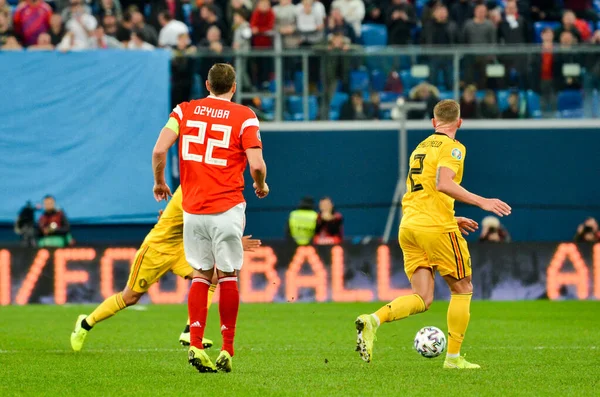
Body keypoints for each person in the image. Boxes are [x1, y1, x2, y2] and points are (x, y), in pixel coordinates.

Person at [355, 99, 511, 369]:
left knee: (423, 298)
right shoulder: (454, 147)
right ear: (459, 122)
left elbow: (426, 190)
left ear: (433, 122)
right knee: (463, 287)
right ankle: (453, 359)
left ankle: (373, 320)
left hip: (409, 226)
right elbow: (443, 183)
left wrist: (451, 215)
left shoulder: (421, 147)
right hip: (434, 228)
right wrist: (482, 202)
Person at [152, 63, 269, 373]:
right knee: (228, 275)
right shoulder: (245, 116)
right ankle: (227, 349)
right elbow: (256, 164)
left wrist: (160, 182)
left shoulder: (184, 110)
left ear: (207, 84)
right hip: (227, 207)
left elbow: (159, 150)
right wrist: (260, 184)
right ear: (233, 87)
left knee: (201, 275)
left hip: (192, 210)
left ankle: (195, 343)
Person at [69, 187, 261, 352]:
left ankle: (188, 332)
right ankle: (85, 323)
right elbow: (201, 226)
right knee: (130, 297)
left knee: (211, 278)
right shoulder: (191, 190)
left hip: (178, 248)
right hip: (156, 251)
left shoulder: (200, 187)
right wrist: (233, 241)